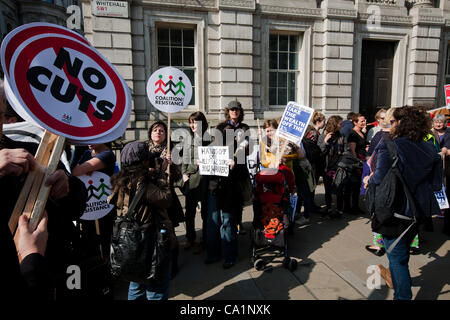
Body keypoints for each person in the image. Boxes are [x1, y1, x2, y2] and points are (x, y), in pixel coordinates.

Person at [0, 78, 88, 299]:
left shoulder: (30, 147)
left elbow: (77, 206)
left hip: (49, 270)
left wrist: (66, 186)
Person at [364, 107, 442, 300]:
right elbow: (436, 184)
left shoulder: (390, 145)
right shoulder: (431, 148)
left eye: (393, 121)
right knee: (401, 254)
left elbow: (379, 177)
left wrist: (368, 180)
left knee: (397, 259)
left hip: (395, 210)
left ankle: (403, 296)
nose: (391, 125)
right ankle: (399, 281)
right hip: (420, 211)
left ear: (400, 123)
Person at [108, 141, 176, 300]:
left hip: (130, 243)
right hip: (149, 241)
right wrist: (160, 174)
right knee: (155, 287)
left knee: (136, 283)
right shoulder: (143, 183)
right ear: (144, 161)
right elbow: (165, 199)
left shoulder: (121, 180)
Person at [147, 120, 184, 278]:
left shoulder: (171, 150)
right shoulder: (144, 150)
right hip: (148, 197)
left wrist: (171, 165)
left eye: (162, 130)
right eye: (155, 130)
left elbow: (177, 175)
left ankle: (173, 263)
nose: (158, 133)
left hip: (165, 195)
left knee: (169, 232)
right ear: (150, 133)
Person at [72, 143, 117, 259]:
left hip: (102, 206)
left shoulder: (107, 154)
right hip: (87, 205)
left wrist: (84, 168)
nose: (89, 142)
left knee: (104, 238)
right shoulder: (87, 153)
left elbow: (75, 171)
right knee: (88, 238)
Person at [216, 101, 251, 235]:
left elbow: (248, 147)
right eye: (232, 110)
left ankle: (238, 224)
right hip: (226, 167)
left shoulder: (244, 127)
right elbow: (217, 146)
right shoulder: (221, 127)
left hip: (240, 167)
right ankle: (227, 225)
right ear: (228, 111)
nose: (234, 112)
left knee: (240, 198)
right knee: (227, 198)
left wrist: (245, 145)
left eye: (237, 110)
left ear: (240, 111)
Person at [182, 111, 209, 253]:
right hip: (191, 180)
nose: (192, 125)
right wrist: (184, 174)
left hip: (205, 180)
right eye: (191, 122)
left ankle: (204, 240)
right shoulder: (188, 139)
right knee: (189, 212)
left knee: (205, 213)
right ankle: (189, 237)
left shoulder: (209, 139)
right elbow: (184, 159)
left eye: (195, 122)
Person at [317, 115, 344, 217]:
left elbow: (345, 150)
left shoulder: (341, 136)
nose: (341, 126)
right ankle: (328, 208)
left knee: (340, 189)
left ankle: (339, 210)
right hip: (327, 167)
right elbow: (320, 152)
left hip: (339, 167)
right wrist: (325, 142)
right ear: (334, 124)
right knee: (328, 190)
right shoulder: (322, 136)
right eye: (340, 124)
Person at [303, 111, 326, 213]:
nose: (324, 123)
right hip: (312, 162)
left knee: (311, 184)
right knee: (311, 184)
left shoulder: (310, 131)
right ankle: (310, 205)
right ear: (318, 121)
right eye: (323, 121)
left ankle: (310, 203)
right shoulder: (314, 133)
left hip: (309, 162)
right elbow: (312, 149)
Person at [431, 114, 450, 235]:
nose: (438, 124)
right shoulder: (430, 133)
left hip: (447, 166)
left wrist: (446, 150)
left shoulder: (449, 133)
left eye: (441, 122)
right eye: (436, 122)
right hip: (433, 165)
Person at [344, 113, 367, 215]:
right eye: (362, 121)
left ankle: (355, 206)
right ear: (355, 122)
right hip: (356, 163)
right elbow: (353, 150)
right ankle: (349, 207)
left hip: (362, 161)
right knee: (352, 185)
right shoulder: (352, 134)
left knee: (357, 185)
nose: (364, 122)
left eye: (364, 120)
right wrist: (357, 162)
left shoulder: (361, 132)